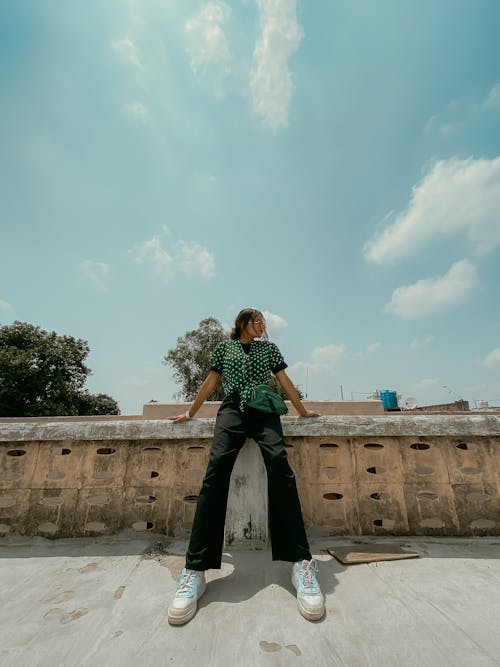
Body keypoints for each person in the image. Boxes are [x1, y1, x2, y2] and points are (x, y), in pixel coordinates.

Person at [167, 308, 324, 625]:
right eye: (257, 321)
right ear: (242, 324)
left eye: (263, 322)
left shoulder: (269, 349)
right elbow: (211, 382)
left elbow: (284, 381)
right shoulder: (225, 348)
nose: (262, 326)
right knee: (215, 474)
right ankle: (195, 569)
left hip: (265, 411)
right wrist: (191, 412)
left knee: (280, 466)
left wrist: (302, 411)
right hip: (232, 412)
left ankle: (300, 563)